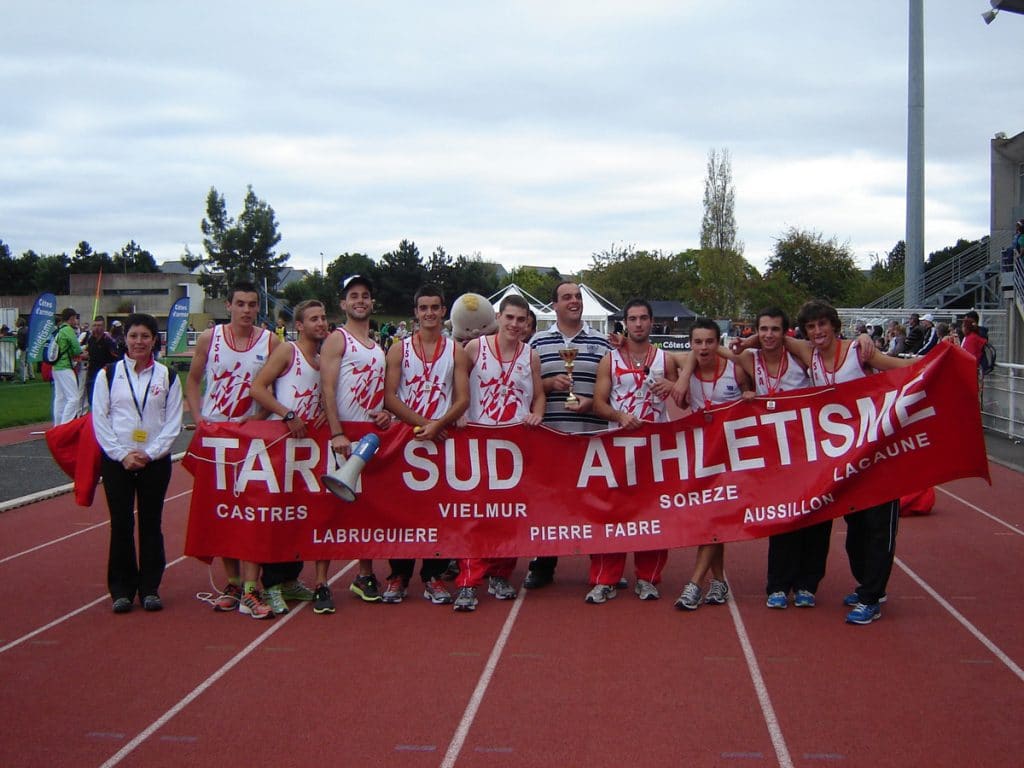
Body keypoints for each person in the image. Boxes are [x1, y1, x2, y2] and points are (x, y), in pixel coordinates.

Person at [784, 299, 916, 625]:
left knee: (877, 528)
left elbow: (900, 367)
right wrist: (747, 340)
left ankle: (871, 598)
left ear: (834, 326)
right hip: (845, 462)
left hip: (878, 454)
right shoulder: (809, 355)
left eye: (822, 325)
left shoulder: (859, 353)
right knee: (856, 529)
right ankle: (868, 586)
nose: (817, 332)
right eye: (811, 327)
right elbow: (773, 335)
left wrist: (943, 356)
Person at [186, 281, 280, 619]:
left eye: (252, 304)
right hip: (216, 437)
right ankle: (234, 582)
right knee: (223, 511)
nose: (246, 310)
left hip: (251, 437)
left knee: (252, 511)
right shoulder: (210, 339)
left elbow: (275, 388)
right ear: (228, 306)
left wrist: (257, 419)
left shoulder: (269, 341)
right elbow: (194, 380)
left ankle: (253, 587)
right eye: (240, 303)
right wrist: (199, 419)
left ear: (258, 308)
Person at [452, 295, 545, 612]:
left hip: (515, 448)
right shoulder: (475, 348)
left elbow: (540, 396)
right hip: (479, 445)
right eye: (510, 318)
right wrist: (459, 413)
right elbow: (457, 385)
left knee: (511, 517)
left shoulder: (530, 356)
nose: (515, 325)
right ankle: (468, 581)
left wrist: (538, 414)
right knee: (476, 517)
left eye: (521, 320)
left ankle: (501, 574)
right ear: (499, 317)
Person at [382, 284, 470, 605]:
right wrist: (422, 424)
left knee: (439, 510)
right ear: (416, 312)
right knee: (401, 511)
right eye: (424, 308)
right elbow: (389, 397)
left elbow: (463, 399)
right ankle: (398, 574)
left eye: (435, 307)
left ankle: (432, 574)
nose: (430, 313)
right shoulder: (398, 349)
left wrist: (437, 425)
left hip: (440, 441)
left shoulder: (456, 351)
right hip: (406, 439)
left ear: (444, 311)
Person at [524, 281, 613, 590]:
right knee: (548, 504)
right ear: (555, 305)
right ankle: (543, 564)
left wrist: (592, 404)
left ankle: (603, 567)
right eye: (567, 297)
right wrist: (548, 386)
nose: (574, 301)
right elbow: (525, 389)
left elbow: (614, 390)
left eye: (577, 297)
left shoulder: (603, 344)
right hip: (550, 436)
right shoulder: (535, 343)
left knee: (595, 503)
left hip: (591, 436)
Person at [92, 313, 183, 613]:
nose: (139, 342)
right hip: (117, 460)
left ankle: (149, 588)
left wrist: (150, 453)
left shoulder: (167, 376)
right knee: (121, 523)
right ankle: (121, 589)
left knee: (150, 523)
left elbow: (173, 422)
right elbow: (100, 419)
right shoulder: (108, 374)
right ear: (125, 339)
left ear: (154, 340)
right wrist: (122, 454)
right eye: (133, 336)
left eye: (145, 336)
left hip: (154, 461)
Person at [590, 299, 677, 603]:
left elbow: (686, 395)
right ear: (625, 323)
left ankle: (648, 577)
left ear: (652, 322)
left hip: (655, 449)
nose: (638, 324)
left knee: (653, 512)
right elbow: (599, 403)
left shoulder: (666, 359)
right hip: (616, 446)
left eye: (643, 318)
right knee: (610, 513)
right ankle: (605, 578)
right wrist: (620, 416)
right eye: (633, 319)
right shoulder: (609, 360)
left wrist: (671, 385)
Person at [320, 275, 394, 612]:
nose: (360, 301)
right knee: (329, 511)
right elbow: (328, 388)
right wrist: (336, 432)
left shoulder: (377, 346)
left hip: (367, 435)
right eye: (354, 296)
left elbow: (377, 393)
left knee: (366, 509)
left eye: (365, 295)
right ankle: (321, 581)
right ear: (343, 303)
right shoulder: (338, 340)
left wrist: (383, 416)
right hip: (343, 436)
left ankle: (364, 575)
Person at [250, 300, 328, 615]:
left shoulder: (322, 359)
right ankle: (271, 584)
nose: (321, 324)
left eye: (323, 318)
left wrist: (323, 409)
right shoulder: (287, 351)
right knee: (279, 515)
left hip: (308, 449)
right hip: (281, 444)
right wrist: (288, 413)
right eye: (313, 319)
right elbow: (258, 387)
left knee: (302, 515)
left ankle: (291, 579)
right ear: (299, 325)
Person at [671, 318, 750, 611]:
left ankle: (694, 583)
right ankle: (718, 581)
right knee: (709, 518)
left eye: (710, 341)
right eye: (698, 342)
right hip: (699, 455)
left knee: (713, 518)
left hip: (731, 456)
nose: (704, 348)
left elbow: (750, 385)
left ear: (719, 342)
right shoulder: (684, 368)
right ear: (690, 344)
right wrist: (681, 377)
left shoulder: (735, 368)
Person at [51, 307, 84, 425]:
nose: (76, 321)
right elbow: (76, 348)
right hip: (65, 366)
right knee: (74, 398)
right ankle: (65, 425)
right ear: (71, 318)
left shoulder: (59, 330)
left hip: (56, 367)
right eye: (75, 318)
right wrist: (83, 352)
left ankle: (58, 425)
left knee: (60, 398)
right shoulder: (68, 330)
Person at [85, 316, 119, 406]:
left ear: (104, 327)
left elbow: (116, 357)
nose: (97, 327)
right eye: (95, 325)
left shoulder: (108, 341)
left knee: (104, 401)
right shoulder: (91, 340)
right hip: (92, 373)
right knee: (92, 400)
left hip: (104, 374)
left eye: (99, 325)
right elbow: (89, 353)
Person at [15, 317, 33, 382]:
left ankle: (24, 376)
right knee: (29, 361)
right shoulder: (28, 328)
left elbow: (20, 342)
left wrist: (18, 348)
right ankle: (31, 375)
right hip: (29, 347)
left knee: (22, 362)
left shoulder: (20, 331)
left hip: (24, 348)